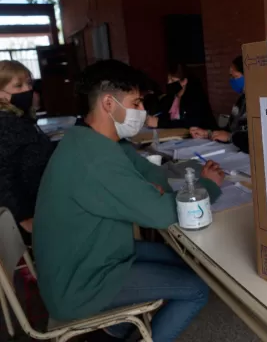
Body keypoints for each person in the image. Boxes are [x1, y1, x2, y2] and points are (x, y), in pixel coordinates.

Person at [33, 60, 225, 342]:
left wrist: (152, 189)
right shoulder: (95, 159)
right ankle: (124, 326)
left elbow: (152, 174)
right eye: (135, 103)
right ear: (109, 103)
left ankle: (121, 328)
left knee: (184, 261)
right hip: (82, 283)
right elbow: (162, 213)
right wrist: (209, 187)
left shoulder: (94, 140)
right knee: (197, 288)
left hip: (98, 256)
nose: (141, 111)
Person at [0, 61, 53, 244]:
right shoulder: (5, 125)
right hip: (27, 216)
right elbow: (3, 178)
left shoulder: (20, 118)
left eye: (29, 83)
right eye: (18, 85)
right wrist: (23, 218)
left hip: (41, 205)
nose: (27, 89)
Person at [190, 56, 248, 153]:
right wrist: (208, 134)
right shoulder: (241, 101)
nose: (232, 80)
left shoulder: (261, 104)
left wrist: (230, 137)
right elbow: (229, 130)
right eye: (231, 76)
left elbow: (255, 141)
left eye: (235, 77)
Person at [145, 65, 217, 130]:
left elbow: (191, 123)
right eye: (168, 80)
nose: (169, 83)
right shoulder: (170, 97)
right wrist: (154, 119)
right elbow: (164, 116)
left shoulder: (195, 97)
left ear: (184, 81)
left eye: (172, 80)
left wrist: (160, 123)